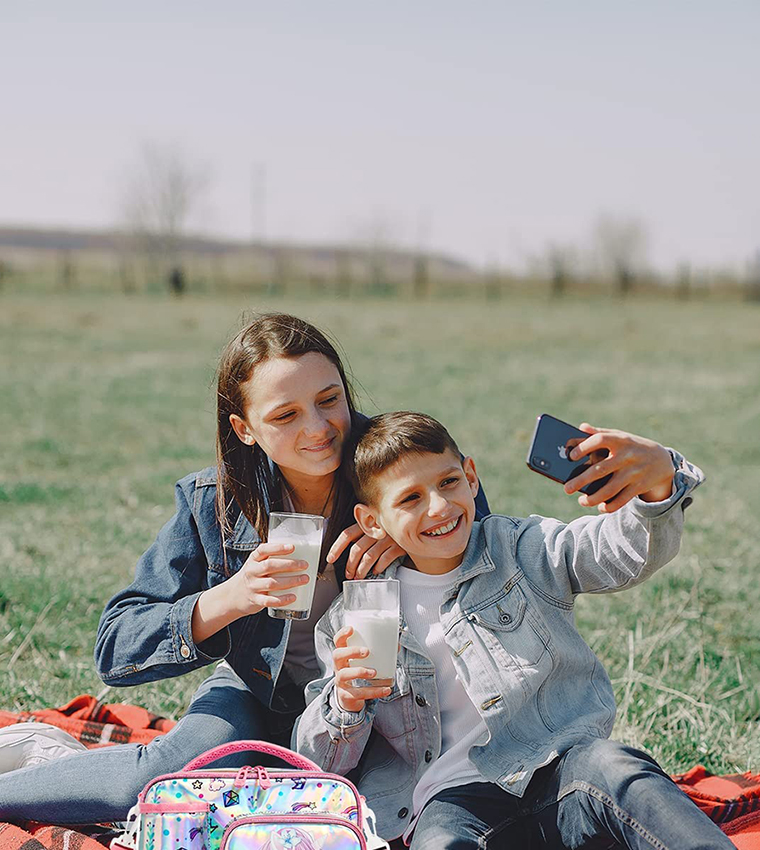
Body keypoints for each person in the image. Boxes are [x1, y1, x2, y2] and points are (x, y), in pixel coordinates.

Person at [0, 313, 490, 825]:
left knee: (373, 814)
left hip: (385, 710)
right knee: (165, 788)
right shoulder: (214, 501)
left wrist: (416, 530)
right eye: (286, 415)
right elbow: (115, 648)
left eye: (329, 400)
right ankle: (41, 765)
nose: (319, 428)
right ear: (245, 428)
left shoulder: (409, 469)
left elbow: (503, 564)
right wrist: (234, 596)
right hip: (260, 695)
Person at [294, 412, 734, 849]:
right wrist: (346, 702)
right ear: (372, 521)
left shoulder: (522, 548)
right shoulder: (355, 617)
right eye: (410, 499)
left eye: (448, 482)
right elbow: (320, 761)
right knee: (440, 844)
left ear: (471, 476)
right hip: (451, 801)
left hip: (562, 764)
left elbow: (622, 552)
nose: (440, 507)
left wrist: (657, 486)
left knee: (619, 768)